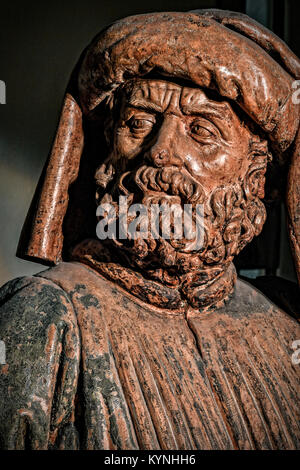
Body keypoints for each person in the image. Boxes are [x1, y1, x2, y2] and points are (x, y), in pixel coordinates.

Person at [0, 10, 299, 450]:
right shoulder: (45, 319)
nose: (160, 152)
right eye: (138, 123)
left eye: (201, 131)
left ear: (260, 179)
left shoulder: (287, 325)